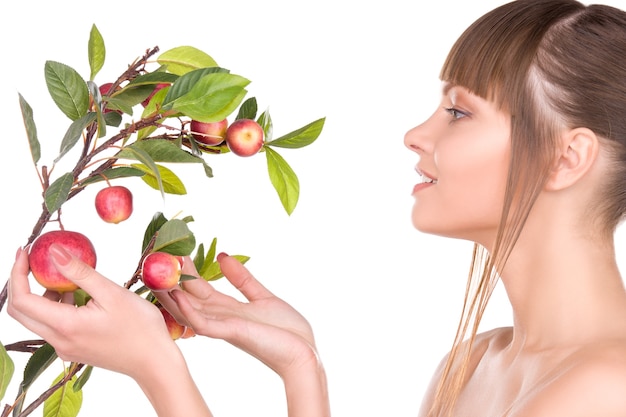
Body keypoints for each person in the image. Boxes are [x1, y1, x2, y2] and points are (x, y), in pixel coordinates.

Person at [8, 0, 626, 415]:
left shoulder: (603, 388)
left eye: (459, 112)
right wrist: (303, 369)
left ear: (564, 159)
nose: (416, 134)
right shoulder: (472, 366)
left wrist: (157, 369)